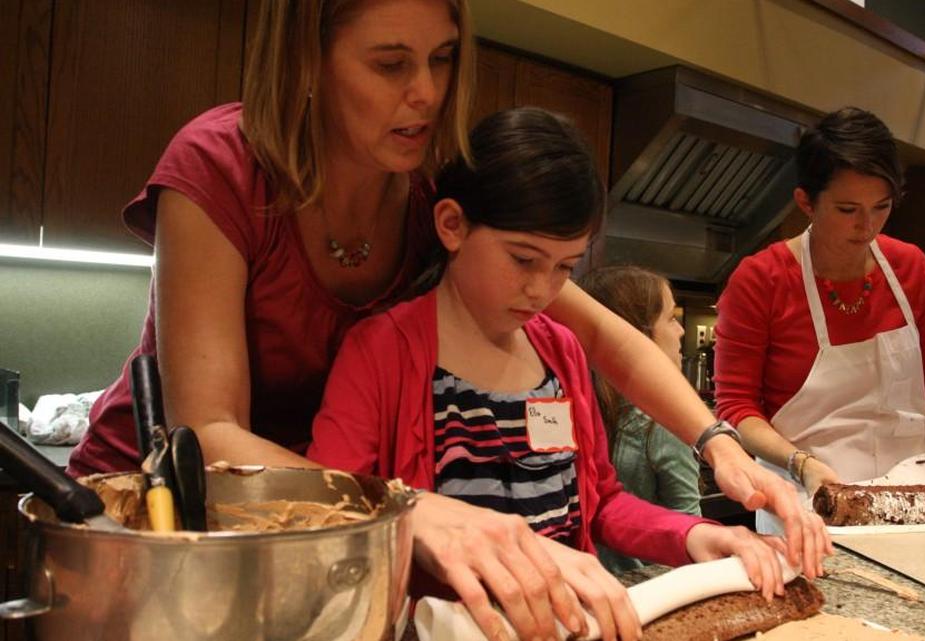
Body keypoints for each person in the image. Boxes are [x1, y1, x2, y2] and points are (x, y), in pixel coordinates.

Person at [65, 1, 826, 638]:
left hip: (316, 518)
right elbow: (209, 430)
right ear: (306, 58)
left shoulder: (427, 185)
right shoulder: (219, 168)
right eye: (391, 64)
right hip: (164, 514)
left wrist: (719, 443)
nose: (427, 93)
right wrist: (411, 507)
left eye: (443, 59)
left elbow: (604, 337)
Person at [308, 107, 794, 641]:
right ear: (452, 225)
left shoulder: (559, 349)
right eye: (523, 259)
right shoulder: (382, 351)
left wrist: (693, 535)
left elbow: (601, 501)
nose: (542, 290)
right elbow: (333, 514)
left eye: (565, 267)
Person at [714, 107, 925, 531]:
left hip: (911, 500)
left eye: (881, 207)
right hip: (809, 502)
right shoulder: (761, 279)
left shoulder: (910, 268)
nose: (867, 226)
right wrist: (804, 465)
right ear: (806, 201)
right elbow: (736, 408)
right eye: (847, 210)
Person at [578, 265, 702, 573]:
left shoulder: (575, 402)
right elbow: (690, 524)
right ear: (635, 334)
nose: (681, 330)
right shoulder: (660, 421)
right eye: (671, 318)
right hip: (644, 592)